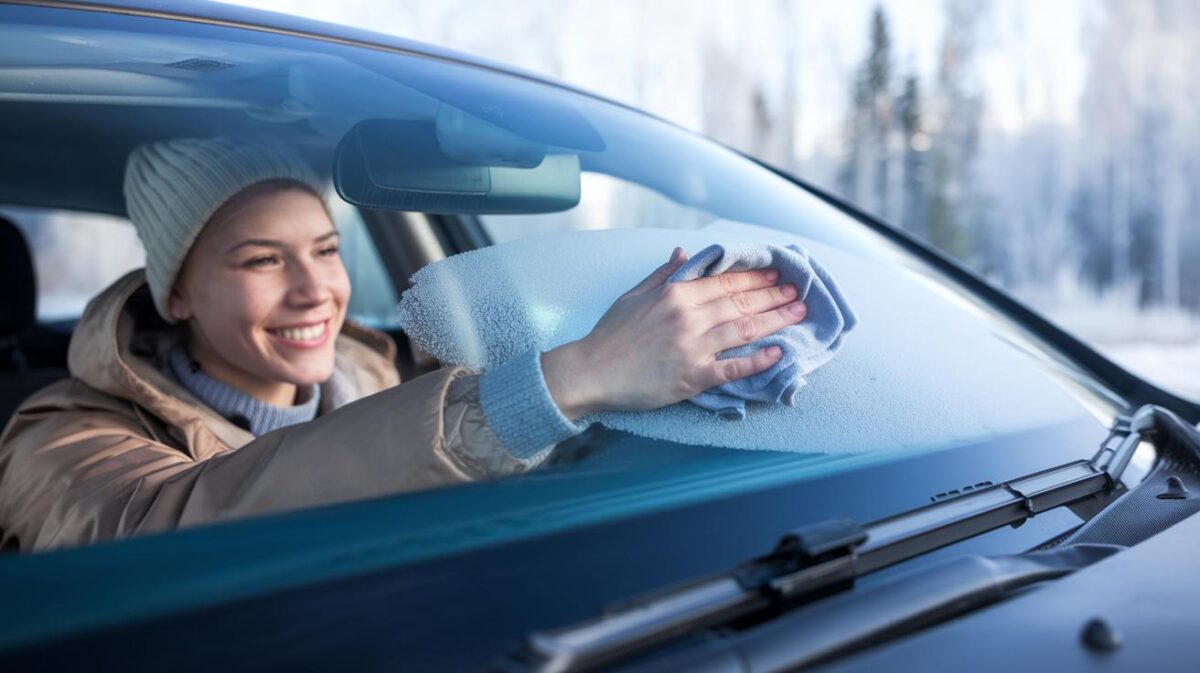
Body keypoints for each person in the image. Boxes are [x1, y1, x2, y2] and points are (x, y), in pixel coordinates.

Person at [0, 137, 808, 552]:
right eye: (260, 259)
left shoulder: (399, 369)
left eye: (324, 248)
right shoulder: (58, 434)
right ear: (175, 292)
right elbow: (172, 529)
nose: (315, 289)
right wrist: (568, 380)